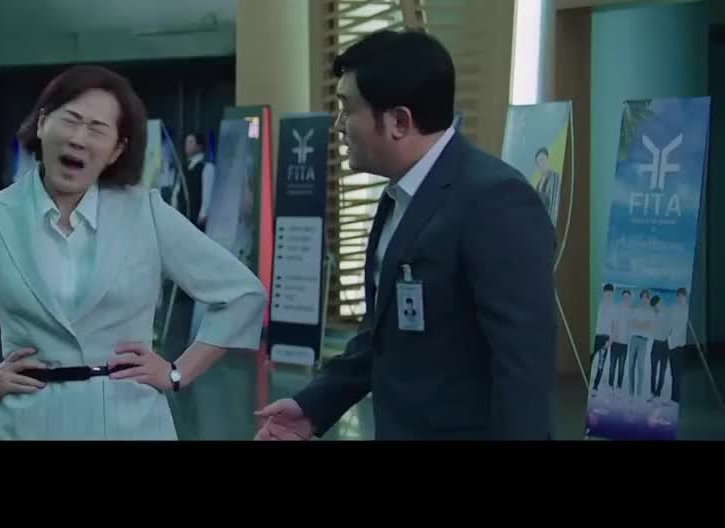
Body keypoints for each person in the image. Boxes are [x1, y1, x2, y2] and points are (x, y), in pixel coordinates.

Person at [0, 64, 266, 439]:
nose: (79, 138)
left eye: (97, 129)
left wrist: (178, 373)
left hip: (131, 422)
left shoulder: (145, 213)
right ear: (42, 124)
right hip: (26, 423)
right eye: (70, 120)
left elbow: (242, 294)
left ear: (116, 150)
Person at [254, 28, 557, 441]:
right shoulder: (399, 195)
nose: (339, 125)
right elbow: (383, 334)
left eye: (347, 108)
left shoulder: (495, 200)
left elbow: (523, 367)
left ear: (398, 121)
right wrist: (314, 407)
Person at [183, 132, 215, 230]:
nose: (187, 145)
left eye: (191, 142)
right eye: (186, 142)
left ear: (199, 146)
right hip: (183, 213)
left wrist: (203, 212)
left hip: (196, 214)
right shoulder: (184, 166)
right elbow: (178, 188)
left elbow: (207, 191)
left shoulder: (206, 167)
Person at [589, 284, 615, 395]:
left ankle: (595, 387)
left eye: (611, 294)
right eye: (607, 293)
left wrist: (610, 341)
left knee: (601, 364)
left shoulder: (614, 308)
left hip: (606, 338)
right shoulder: (598, 304)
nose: (609, 295)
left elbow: (614, 326)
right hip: (595, 337)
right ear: (603, 293)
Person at [533, 146, 561, 225]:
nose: (542, 163)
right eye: (539, 162)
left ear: (547, 160)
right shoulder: (538, 184)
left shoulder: (554, 177)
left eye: (543, 159)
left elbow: (554, 206)